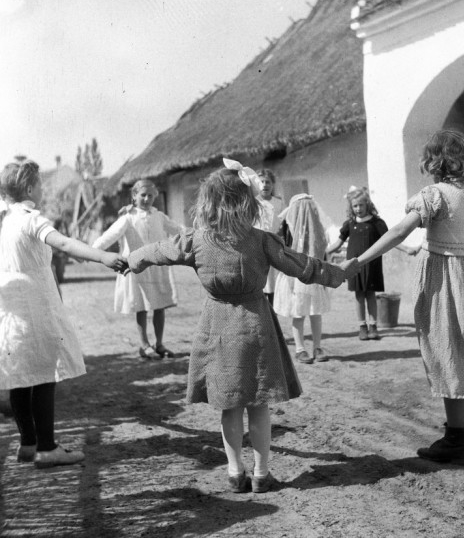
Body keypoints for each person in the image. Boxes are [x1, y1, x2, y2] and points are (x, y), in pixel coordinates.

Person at [127, 159, 357, 493]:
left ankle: (235, 472)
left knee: (229, 406)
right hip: (256, 326)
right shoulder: (262, 241)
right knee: (259, 405)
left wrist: (131, 261)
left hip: (218, 327)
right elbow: (301, 265)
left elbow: (157, 251)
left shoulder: (195, 240)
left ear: (207, 203)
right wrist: (338, 272)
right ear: (248, 202)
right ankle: (261, 474)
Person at [348, 129, 464, 464]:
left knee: (447, 351)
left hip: (442, 280)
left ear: (434, 162)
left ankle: (455, 440)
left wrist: (360, 260)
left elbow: (399, 231)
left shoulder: (435, 195)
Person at [0, 160, 127, 468]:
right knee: (46, 374)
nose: (42, 190)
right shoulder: (31, 219)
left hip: (14, 309)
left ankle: (28, 443)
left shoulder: (7, 222)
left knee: (21, 375)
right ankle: (47, 448)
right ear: (29, 188)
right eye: (39, 185)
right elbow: (64, 243)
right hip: (36, 305)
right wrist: (102, 256)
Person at [92, 179, 182, 360]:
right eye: (143, 195)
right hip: (138, 267)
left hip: (157, 265)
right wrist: (91, 251)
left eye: (150, 195)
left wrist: (197, 236)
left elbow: (178, 229)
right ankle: (144, 344)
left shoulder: (159, 216)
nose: (147, 199)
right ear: (134, 196)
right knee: (141, 306)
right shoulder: (128, 217)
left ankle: (159, 343)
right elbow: (110, 235)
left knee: (159, 305)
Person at [273, 194, 332, 364]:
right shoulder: (287, 227)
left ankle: (317, 347)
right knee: (298, 312)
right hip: (295, 276)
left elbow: (323, 253)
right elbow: (282, 251)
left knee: (315, 312)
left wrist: (323, 276)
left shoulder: (317, 230)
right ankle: (300, 348)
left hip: (314, 275)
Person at [326, 186, 389, 341]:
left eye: (361, 205)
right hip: (354, 265)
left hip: (372, 264)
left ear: (367, 204)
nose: (358, 209)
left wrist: (407, 249)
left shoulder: (377, 223)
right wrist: (323, 252)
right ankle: (362, 326)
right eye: (355, 206)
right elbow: (337, 244)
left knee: (371, 294)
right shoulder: (349, 224)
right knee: (359, 295)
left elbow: (390, 239)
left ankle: (373, 326)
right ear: (351, 207)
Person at [255, 169, 284, 305]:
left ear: (273, 185)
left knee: (273, 283)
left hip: (274, 245)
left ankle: (273, 314)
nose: (265, 185)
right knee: (260, 282)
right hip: (257, 246)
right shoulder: (253, 202)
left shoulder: (279, 203)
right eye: (261, 182)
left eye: (268, 182)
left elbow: (284, 224)